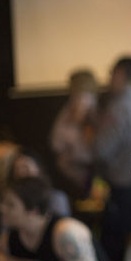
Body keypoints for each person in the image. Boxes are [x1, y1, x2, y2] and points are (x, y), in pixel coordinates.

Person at [94, 56, 131, 261]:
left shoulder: (119, 107)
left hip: (123, 189)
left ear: (120, 75)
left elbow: (101, 149)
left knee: (115, 251)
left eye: (111, 74)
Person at [50, 69, 99, 198]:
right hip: (80, 160)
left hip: (82, 161)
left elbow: (58, 142)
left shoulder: (82, 100)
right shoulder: (85, 100)